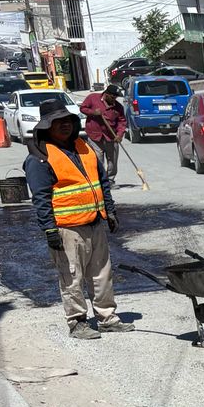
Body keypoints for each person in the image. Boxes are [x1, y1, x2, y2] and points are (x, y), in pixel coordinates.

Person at [24, 97, 130, 341]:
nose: (65, 125)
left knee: (102, 274)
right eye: (58, 122)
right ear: (46, 127)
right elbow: (41, 198)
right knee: (71, 277)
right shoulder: (40, 158)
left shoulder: (84, 148)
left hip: (94, 223)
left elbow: (102, 182)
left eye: (67, 121)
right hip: (67, 229)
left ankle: (107, 318)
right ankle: (77, 322)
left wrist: (110, 210)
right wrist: (49, 229)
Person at [79, 83, 127, 183]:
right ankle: (100, 181)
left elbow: (122, 122)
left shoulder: (118, 107)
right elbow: (82, 108)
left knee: (112, 160)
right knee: (98, 160)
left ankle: (110, 180)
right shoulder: (92, 98)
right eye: (113, 97)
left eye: (116, 97)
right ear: (107, 94)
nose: (114, 99)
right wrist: (93, 112)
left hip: (111, 137)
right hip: (95, 136)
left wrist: (119, 135)